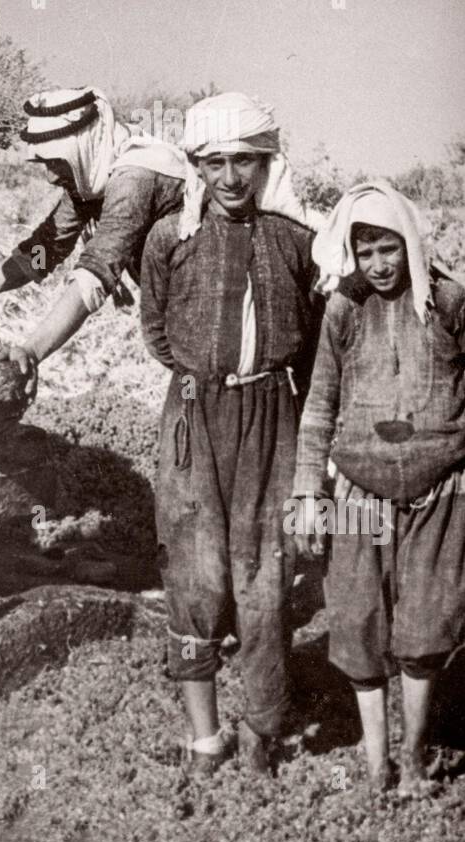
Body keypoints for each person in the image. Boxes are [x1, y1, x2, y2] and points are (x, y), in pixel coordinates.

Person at [139, 92, 321, 776]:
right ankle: (203, 736)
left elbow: (310, 347)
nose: (229, 177)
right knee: (193, 571)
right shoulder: (169, 238)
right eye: (213, 162)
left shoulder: (294, 241)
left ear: (266, 162)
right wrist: (203, 375)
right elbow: (155, 327)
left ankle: (260, 732)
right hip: (191, 415)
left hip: (272, 417)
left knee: (265, 573)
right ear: (195, 167)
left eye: (244, 160)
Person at [291, 181, 465, 795]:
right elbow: (319, 404)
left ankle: (414, 757)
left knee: (424, 629)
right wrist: (308, 491)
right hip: (358, 497)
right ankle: (374, 762)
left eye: (388, 249)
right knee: (359, 622)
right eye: (365, 252)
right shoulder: (344, 307)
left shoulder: (449, 302)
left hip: (440, 495)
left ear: (409, 243)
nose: (378, 265)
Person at [0, 87, 189, 371]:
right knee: (190, 392)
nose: (52, 177)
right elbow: (45, 251)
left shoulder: (134, 177)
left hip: (212, 317)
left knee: (196, 394)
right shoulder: (92, 174)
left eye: (56, 162)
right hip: (180, 321)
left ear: (82, 146)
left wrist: (31, 350)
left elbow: (96, 273)